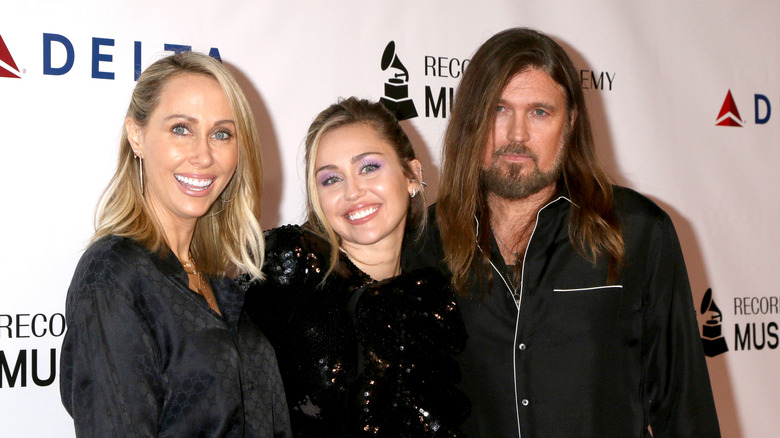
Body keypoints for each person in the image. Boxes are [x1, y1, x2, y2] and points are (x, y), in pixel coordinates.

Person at [401, 28, 721, 437]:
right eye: (499, 109)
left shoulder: (637, 231)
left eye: (539, 112)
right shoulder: (424, 247)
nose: (516, 134)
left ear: (569, 123)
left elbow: (684, 411)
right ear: (471, 120)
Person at [59, 52, 291, 437]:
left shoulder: (218, 277)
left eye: (222, 133)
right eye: (182, 128)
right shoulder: (113, 274)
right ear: (137, 136)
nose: (203, 155)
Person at [242, 97, 469, 437]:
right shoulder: (293, 267)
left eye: (368, 167)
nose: (353, 191)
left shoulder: (433, 300)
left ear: (412, 175)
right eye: (331, 179)